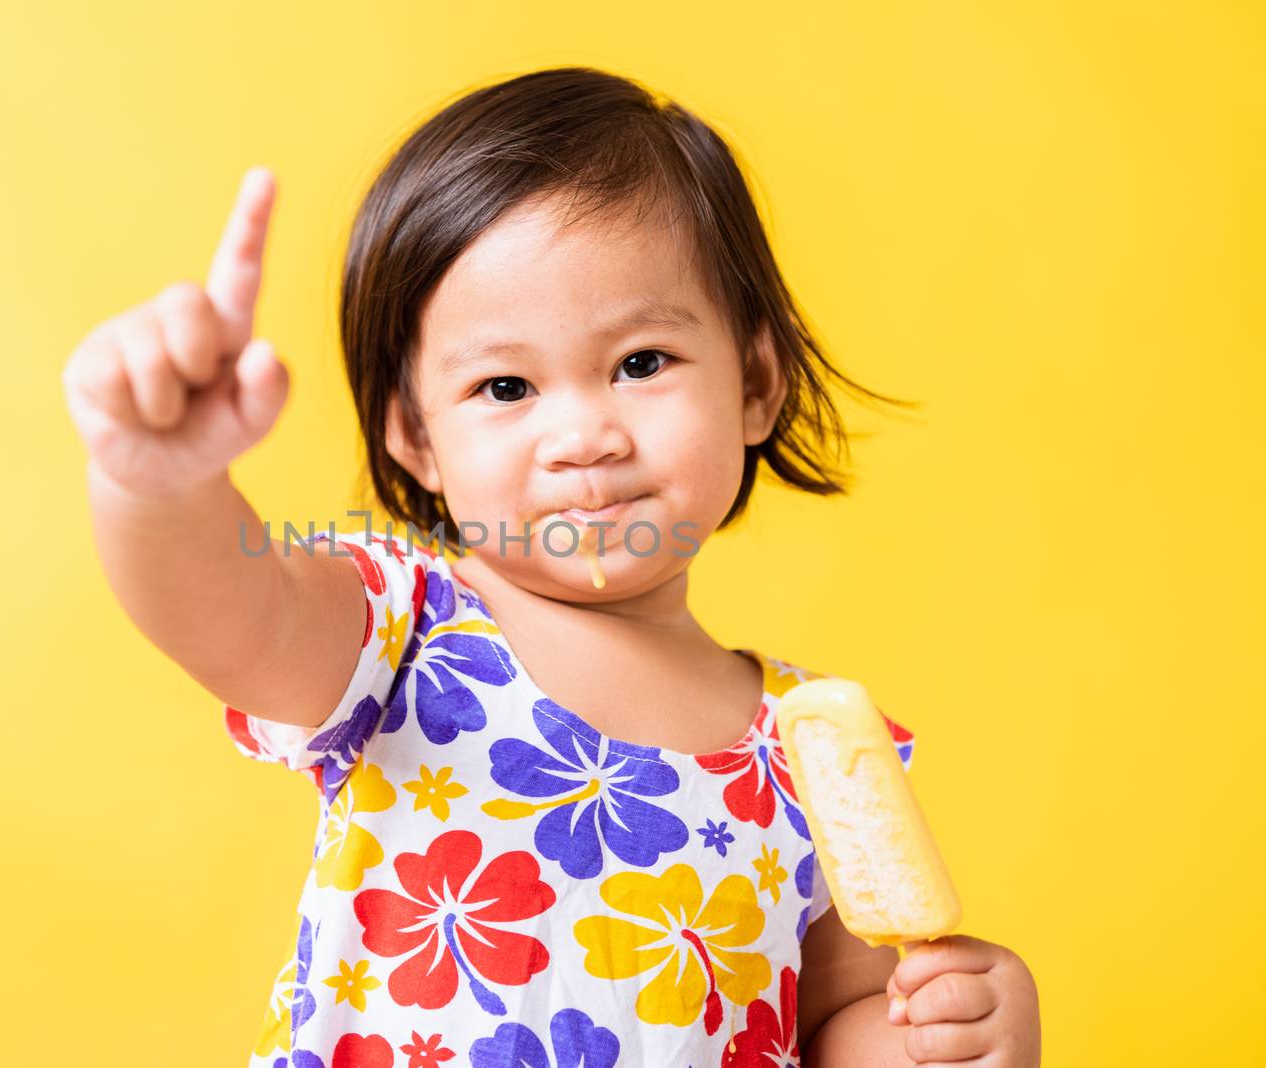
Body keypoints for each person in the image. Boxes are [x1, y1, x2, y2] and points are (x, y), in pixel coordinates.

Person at [62, 66, 1040, 1068]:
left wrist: (945, 1031)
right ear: (416, 438)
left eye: (640, 363)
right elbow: (227, 613)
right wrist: (157, 481)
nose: (582, 435)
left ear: (754, 383)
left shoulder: (810, 747)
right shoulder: (402, 632)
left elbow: (837, 1018)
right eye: (505, 386)